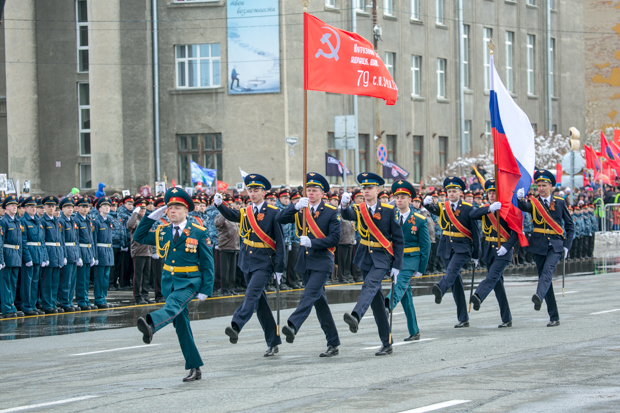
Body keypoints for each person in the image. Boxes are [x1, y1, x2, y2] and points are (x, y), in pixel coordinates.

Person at [134, 187, 214, 382]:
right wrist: (151, 217)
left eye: (177, 208)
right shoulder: (162, 231)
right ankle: (195, 367)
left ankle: (152, 324)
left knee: (172, 306)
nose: (172, 211)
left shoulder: (198, 232)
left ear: (186, 211)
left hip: (189, 282)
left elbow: (207, 263)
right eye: (170, 208)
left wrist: (206, 289)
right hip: (169, 282)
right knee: (182, 327)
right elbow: (139, 237)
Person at [214, 173, 285, 357]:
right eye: (250, 190)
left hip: (264, 262)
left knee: (251, 294)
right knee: (260, 304)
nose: (252, 194)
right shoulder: (246, 211)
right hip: (247, 261)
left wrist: (279, 268)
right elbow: (233, 215)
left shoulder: (273, 212)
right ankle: (273, 341)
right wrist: (220, 204)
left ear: (264, 192)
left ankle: (236, 325)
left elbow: (280, 242)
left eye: (256, 190)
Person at [277, 172, 341, 357]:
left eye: (314, 190)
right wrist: (295, 206)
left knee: (309, 294)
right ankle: (333, 342)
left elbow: (335, 238)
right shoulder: (301, 209)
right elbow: (279, 219)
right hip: (305, 262)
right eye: (308, 190)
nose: (311, 193)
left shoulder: (330, 211)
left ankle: (293, 325)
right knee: (320, 304)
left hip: (322, 261)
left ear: (322, 193)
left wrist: (313, 242)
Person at [340, 172, 404, 356]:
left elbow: (398, 240)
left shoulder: (389, 210)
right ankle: (387, 342)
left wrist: (397, 265)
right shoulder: (359, 209)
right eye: (364, 188)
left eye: (369, 188)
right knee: (376, 304)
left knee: (369, 285)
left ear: (378, 190)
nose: (366, 191)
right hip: (365, 257)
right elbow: (347, 214)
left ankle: (356, 315)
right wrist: (344, 204)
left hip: (382, 257)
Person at [517, 169, 574, 327]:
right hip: (538, 245)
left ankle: (538, 296)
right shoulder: (535, 203)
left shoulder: (560, 202)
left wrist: (567, 247)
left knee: (547, 272)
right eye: (538, 186)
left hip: (555, 245)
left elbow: (570, 226)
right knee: (545, 278)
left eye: (544, 185)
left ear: (551, 186)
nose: (540, 188)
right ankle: (553, 316)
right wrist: (519, 198)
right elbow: (524, 207)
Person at [424, 176, 480, 328]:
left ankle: (440, 288)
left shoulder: (468, 208)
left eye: (454, 191)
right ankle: (463, 318)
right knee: (456, 284)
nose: (451, 194)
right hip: (446, 247)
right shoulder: (444, 206)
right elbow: (434, 210)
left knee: (452, 270)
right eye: (449, 191)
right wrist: (427, 203)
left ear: (460, 192)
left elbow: (475, 233)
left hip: (462, 247)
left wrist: (476, 254)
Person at [387, 180, 430, 341]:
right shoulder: (391, 216)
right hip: (396, 259)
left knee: (399, 284)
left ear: (410, 200)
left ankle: (387, 305)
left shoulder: (419, 219)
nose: (399, 200)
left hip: (411, 259)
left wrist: (421, 268)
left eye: (403, 197)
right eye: (397, 197)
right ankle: (414, 330)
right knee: (406, 295)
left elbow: (425, 246)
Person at [469, 179, 516, 328]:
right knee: (498, 285)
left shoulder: (508, 209)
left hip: (503, 250)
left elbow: (516, 232)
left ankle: (478, 296)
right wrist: (489, 209)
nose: (491, 195)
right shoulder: (487, 208)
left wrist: (507, 247)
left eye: (494, 192)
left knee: (492, 276)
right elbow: (472, 214)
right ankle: (506, 318)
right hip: (490, 249)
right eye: (489, 192)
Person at [19, 197, 48, 316]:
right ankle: (26, 306)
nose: (33, 209)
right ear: (25, 208)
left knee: (35, 282)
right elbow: (23, 241)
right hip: (30, 254)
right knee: (27, 282)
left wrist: (43, 257)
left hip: (37, 254)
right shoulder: (23, 221)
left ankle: (33, 304)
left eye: (34, 207)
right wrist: (27, 258)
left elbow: (41, 241)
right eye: (31, 207)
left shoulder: (38, 221)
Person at [39, 196, 66, 314]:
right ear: (44, 208)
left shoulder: (57, 221)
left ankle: (53, 303)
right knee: (47, 282)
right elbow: (42, 240)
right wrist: (44, 257)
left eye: (53, 206)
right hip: (49, 253)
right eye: (49, 206)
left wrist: (62, 255)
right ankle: (47, 304)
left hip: (57, 253)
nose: (51, 208)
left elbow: (61, 240)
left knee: (55, 281)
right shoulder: (42, 221)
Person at [127, 198, 155, 304]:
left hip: (148, 250)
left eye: (144, 208)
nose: (142, 210)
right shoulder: (135, 219)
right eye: (140, 208)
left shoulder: (145, 220)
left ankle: (145, 294)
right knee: (138, 275)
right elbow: (130, 225)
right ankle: (137, 296)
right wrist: (134, 213)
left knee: (146, 275)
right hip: (138, 250)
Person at [1, 195, 24, 318]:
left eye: (16, 205)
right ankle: (7, 308)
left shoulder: (17, 221)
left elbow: (19, 242)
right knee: (6, 283)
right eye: (12, 205)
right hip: (7, 254)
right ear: (6, 208)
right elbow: (1, 241)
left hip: (15, 255)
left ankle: (11, 305)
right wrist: (1, 259)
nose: (15, 207)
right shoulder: (3, 221)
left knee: (13, 283)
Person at [214, 196, 241, 296]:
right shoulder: (220, 215)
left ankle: (231, 288)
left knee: (232, 271)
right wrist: (224, 213)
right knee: (224, 271)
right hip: (225, 246)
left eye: (231, 205)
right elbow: (217, 223)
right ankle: (224, 289)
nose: (230, 207)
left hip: (234, 246)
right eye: (227, 205)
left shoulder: (233, 216)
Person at [75, 197, 97, 310]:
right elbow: (76, 239)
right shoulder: (76, 220)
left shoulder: (88, 219)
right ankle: (81, 300)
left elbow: (91, 239)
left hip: (88, 251)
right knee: (81, 278)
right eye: (83, 206)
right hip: (81, 250)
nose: (85, 208)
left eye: (87, 206)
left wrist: (93, 254)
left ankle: (85, 299)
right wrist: (78, 256)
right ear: (78, 207)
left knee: (86, 278)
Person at [58, 197, 80, 312]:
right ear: (62, 209)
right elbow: (61, 239)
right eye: (67, 207)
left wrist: (78, 255)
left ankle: (70, 300)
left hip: (73, 252)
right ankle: (64, 301)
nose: (70, 209)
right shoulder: (61, 221)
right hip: (66, 250)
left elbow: (76, 239)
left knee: (72, 280)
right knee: (65, 280)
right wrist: (64, 255)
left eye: (71, 207)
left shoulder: (73, 220)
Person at [93, 197, 114, 309]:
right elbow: (94, 240)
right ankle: (99, 299)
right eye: (105, 206)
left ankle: (103, 297)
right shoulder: (96, 222)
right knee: (100, 277)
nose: (107, 208)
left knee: (105, 277)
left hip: (108, 251)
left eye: (108, 206)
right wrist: (95, 255)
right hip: (100, 251)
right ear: (99, 208)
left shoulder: (109, 221)